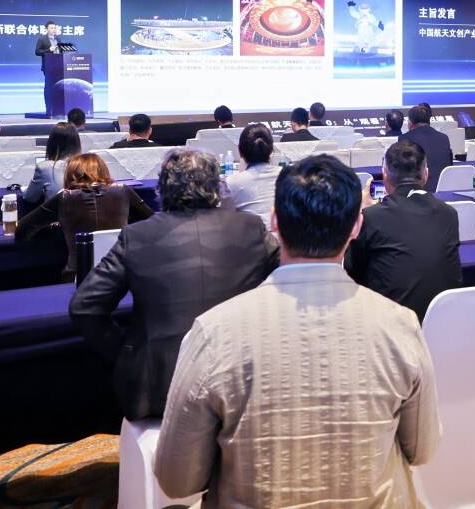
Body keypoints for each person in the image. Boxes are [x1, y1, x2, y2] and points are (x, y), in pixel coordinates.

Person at [153, 155, 439, 505]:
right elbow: (422, 450)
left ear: (274, 221)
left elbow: (177, 480)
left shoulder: (214, 333)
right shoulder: (399, 325)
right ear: (356, 226)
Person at [70, 149, 278, 422]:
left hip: (160, 389)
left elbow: (84, 306)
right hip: (241, 380)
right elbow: (290, 280)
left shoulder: (137, 235)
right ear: (216, 187)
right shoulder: (251, 228)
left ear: (162, 188)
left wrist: (125, 351)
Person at [348, 139, 461, 321]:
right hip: (445, 323)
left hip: (391, 326)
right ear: (426, 175)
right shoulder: (449, 214)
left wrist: (359, 213)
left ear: (385, 175)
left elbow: (352, 273)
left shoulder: (371, 217)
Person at [16, 153, 153, 279]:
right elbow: (152, 222)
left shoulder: (64, 197)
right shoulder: (123, 191)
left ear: (70, 175)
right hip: (122, 275)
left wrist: (56, 227)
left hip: (78, 277)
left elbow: (22, 230)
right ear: (103, 171)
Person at [227, 123, 282, 223]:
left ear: (240, 151)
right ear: (271, 150)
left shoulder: (231, 182)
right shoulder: (286, 175)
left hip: (249, 232)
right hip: (283, 232)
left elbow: (225, 218)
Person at [25, 122, 82, 206]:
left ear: (51, 143)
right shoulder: (88, 166)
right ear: (77, 143)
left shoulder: (44, 168)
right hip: (83, 213)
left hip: (56, 214)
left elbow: (30, 198)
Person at [401, 104, 453, 192]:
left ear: (410, 122)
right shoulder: (443, 138)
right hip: (444, 191)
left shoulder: (405, 139)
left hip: (416, 193)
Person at [34, 21, 63, 116]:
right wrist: (48, 50)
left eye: (54, 28)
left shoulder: (58, 39)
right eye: (51, 28)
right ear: (46, 29)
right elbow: (37, 52)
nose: (53, 29)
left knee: (58, 87)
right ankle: (49, 110)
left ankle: (57, 109)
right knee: (49, 88)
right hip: (48, 67)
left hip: (59, 67)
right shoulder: (42, 39)